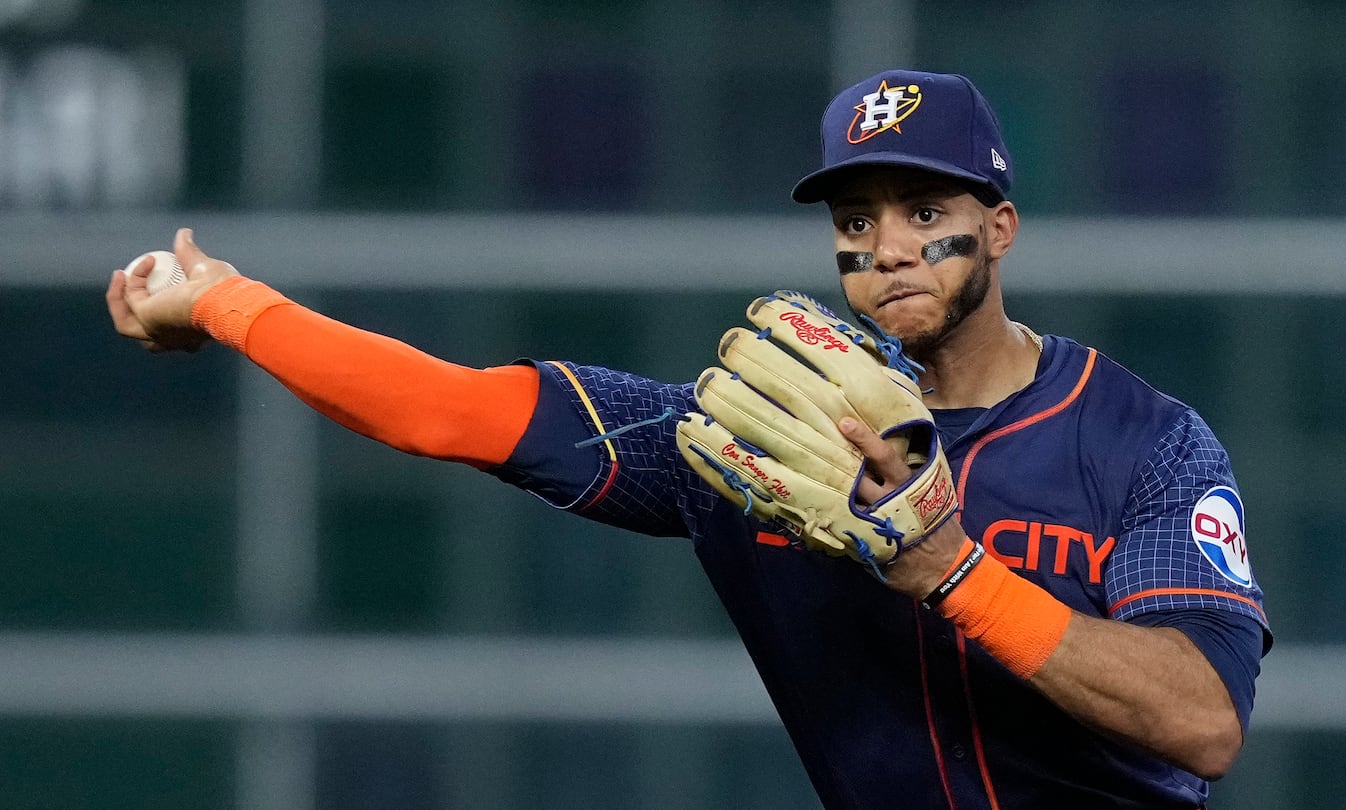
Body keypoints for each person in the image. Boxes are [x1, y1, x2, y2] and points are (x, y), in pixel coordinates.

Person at [107, 69, 1270, 809]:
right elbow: (446, 409)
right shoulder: (739, 452)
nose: (892, 245)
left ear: (1000, 226)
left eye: (929, 212)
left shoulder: (1142, 442)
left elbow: (1203, 724)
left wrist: (949, 571)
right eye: (859, 220)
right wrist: (224, 302)